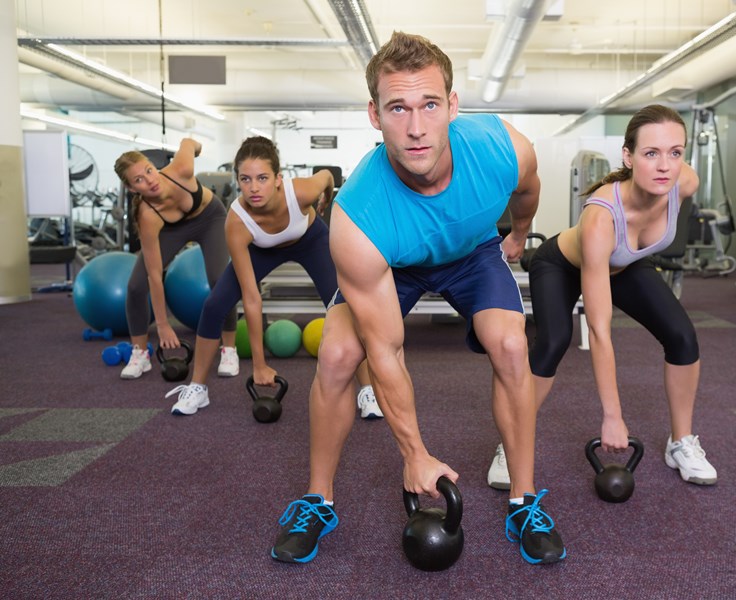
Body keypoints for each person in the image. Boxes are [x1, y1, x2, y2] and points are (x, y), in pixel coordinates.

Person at [269, 31, 565, 567]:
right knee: (337, 354)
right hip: (392, 262)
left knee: (510, 345)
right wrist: (415, 454)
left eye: (429, 104)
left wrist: (519, 233)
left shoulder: (503, 149)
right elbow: (386, 351)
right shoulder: (357, 216)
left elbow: (528, 191)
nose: (416, 127)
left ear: (452, 105)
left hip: (473, 253)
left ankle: (524, 501)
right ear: (374, 114)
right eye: (398, 108)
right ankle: (317, 499)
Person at [486, 104, 717, 491]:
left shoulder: (684, 183)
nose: (665, 166)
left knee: (682, 336)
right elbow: (598, 330)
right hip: (561, 264)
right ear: (628, 156)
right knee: (554, 342)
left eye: (675, 152)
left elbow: (671, 180)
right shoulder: (601, 217)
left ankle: (681, 442)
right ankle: (511, 442)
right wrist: (612, 416)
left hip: (623, 265)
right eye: (651, 153)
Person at [162, 136, 381, 417]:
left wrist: (326, 196)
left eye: (262, 178)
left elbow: (327, 176)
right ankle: (197, 387)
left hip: (309, 240)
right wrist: (259, 364)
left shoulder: (301, 192)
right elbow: (252, 298)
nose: (253, 188)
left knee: (341, 305)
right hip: (262, 249)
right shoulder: (237, 222)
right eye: (245, 179)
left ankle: (367, 390)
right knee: (214, 305)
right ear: (238, 180)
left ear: (278, 179)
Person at [113, 139, 238, 381]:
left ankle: (229, 349)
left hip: (209, 219)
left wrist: (196, 150)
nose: (150, 180)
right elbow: (155, 275)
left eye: (149, 170)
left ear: (154, 167)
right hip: (171, 229)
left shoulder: (182, 169)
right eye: (139, 179)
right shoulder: (148, 215)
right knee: (136, 286)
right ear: (131, 188)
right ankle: (139, 353)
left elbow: (189, 142)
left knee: (219, 279)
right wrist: (162, 324)